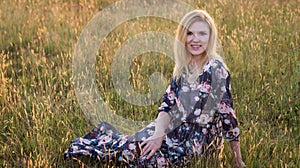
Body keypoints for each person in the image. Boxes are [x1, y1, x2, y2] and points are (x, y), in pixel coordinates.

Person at [64, 10, 246, 167]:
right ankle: (94, 142)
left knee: (146, 160)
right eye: (190, 33)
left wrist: (238, 159)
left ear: (210, 36)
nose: (195, 39)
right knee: (132, 146)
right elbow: (167, 105)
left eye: (201, 34)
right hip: (170, 130)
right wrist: (158, 134)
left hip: (196, 142)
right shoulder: (184, 67)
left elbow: (227, 116)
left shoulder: (216, 70)